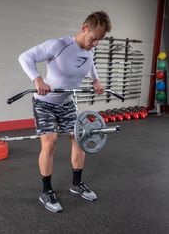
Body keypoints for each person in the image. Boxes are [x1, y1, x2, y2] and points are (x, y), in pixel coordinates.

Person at [18, 11, 111, 213]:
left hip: (66, 102)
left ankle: (76, 184)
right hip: (45, 103)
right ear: (85, 28)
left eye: (99, 41)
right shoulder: (59, 45)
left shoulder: (89, 50)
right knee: (49, 142)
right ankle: (46, 191)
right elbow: (25, 57)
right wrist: (37, 79)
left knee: (79, 139)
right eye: (94, 38)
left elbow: (90, 65)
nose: (95, 44)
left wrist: (96, 80)